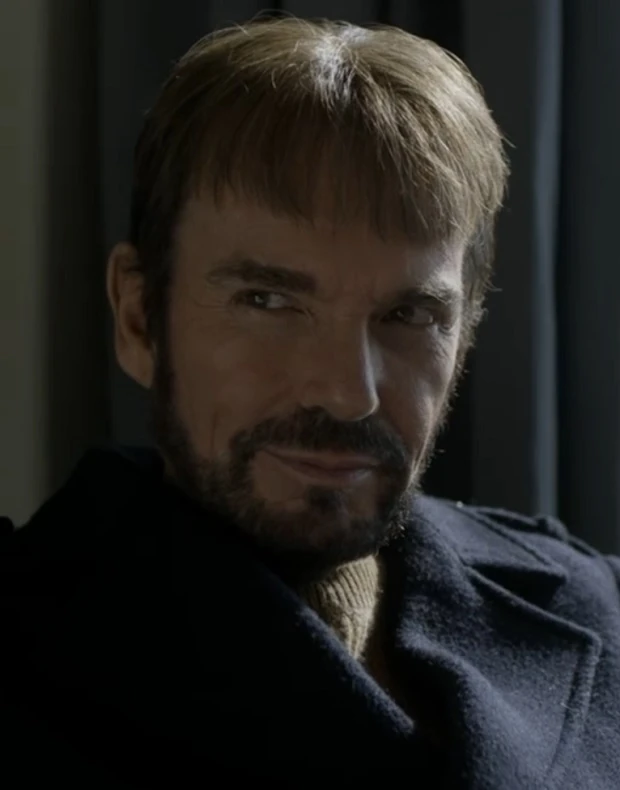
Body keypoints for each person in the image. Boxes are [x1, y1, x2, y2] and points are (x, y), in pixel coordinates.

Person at [1, 16, 619, 789]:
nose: (347, 392)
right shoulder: (31, 641)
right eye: (268, 301)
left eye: (408, 315)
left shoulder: (594, 600)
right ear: (138, 319)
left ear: (463, 337)